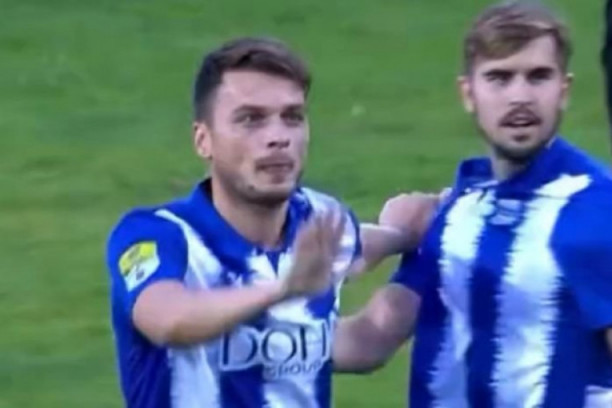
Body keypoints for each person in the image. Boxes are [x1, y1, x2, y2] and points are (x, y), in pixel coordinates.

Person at [105, 37, 437, 408]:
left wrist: (420, 239)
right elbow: (169, 320)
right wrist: (283, 289)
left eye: (292, 117)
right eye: (251, 119)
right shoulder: (158, 236)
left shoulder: (317, 217)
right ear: (203, 140)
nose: (278, 137)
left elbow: (354, 260)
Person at [333, 2, 612, 407]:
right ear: (468, 93)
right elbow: (370, 339)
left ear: (563, 90)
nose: (520, 96)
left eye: (538, 77)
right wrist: (252, 336)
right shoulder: (461, 206)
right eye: (499, 78)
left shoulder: (596, 210)